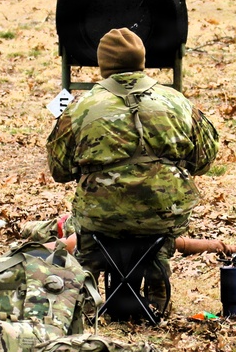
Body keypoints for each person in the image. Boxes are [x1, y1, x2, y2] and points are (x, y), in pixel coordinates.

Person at [46, 28, 220, 315]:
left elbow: (59, 169)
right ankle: (157, 279)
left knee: (88, 234)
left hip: (101, 218)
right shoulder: (178, 102)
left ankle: (87, 289)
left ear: (103, 65)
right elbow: (204, 160)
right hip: (162, 216)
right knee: (161, 227)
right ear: (142, 61)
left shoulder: (81, 107)